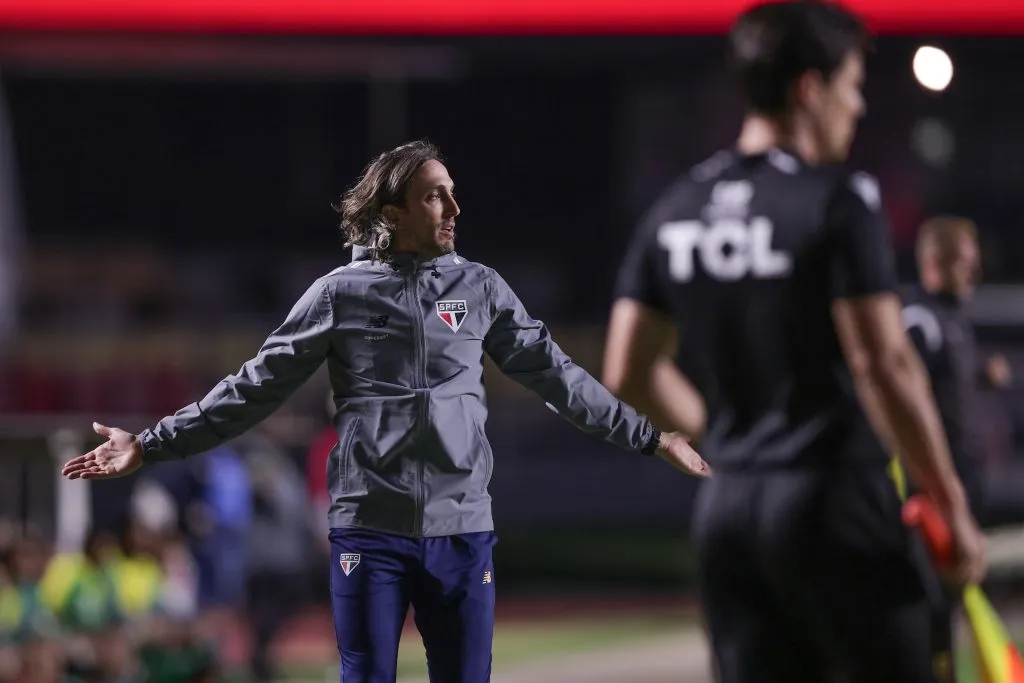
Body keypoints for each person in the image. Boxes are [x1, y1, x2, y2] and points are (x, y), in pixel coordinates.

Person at [60, 139, 709, 683]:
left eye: (453, 192)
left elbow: (561, 379)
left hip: (462, 531)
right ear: (393, 211)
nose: (454, 206)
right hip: (370, 532)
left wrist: (652, 436)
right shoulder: (338, 295)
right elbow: (254, 387)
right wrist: (150, 442)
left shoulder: (479, 288)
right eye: (435, 195)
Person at [601, 2, 986, 682]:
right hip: (835, 504)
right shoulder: (838, 200)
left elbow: (627, 371)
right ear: (810, 89)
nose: (858, 106)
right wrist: (950, 508)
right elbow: (884, 363)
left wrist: (724, 438)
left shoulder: (676, 209)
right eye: (851, 85)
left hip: (730, 512)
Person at [902, 215, 1013, 682]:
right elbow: (902, 391)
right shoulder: (920, 319)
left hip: (962, 485)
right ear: (934, 261)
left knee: (955, 600)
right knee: (930, 606)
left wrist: (979, 377)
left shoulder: (951, 320)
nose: (973, 273)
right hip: (933, 491)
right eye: (965, 263)